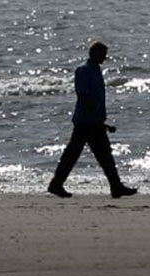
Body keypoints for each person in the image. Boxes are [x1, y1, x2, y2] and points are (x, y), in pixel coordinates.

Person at [47, 42, 137, 198]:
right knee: (92, 155)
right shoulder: (83, 71)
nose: (104, 58)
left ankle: (57, 184)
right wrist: (95, 117)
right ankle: (115, 187)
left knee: (90, 154)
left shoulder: (96, 71)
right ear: (94, 54)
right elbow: (83, 95)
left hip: (93, 121)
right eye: (102, 54)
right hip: (86, 122)